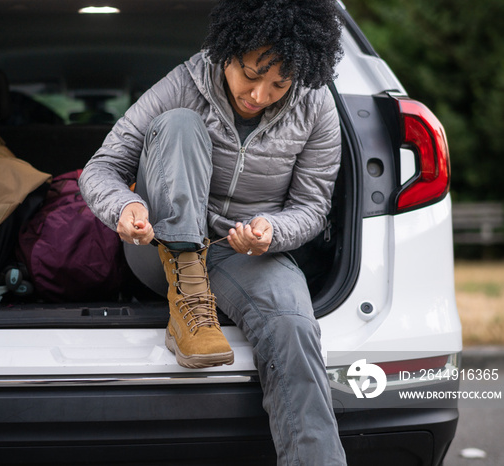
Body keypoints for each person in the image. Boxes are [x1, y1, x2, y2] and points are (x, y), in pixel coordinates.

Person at [79, 0, 346, 463]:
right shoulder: (185, 82)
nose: (260, 94)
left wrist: (271, 231)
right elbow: (102, 168)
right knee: (178, 124)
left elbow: (312, 206)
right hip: (159, 245)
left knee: (294, 327)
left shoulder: (316, 105)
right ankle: (187, 304)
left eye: (278, 84)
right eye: (250, 74)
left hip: (243, 253)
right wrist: (128, 206)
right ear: (228, 51)